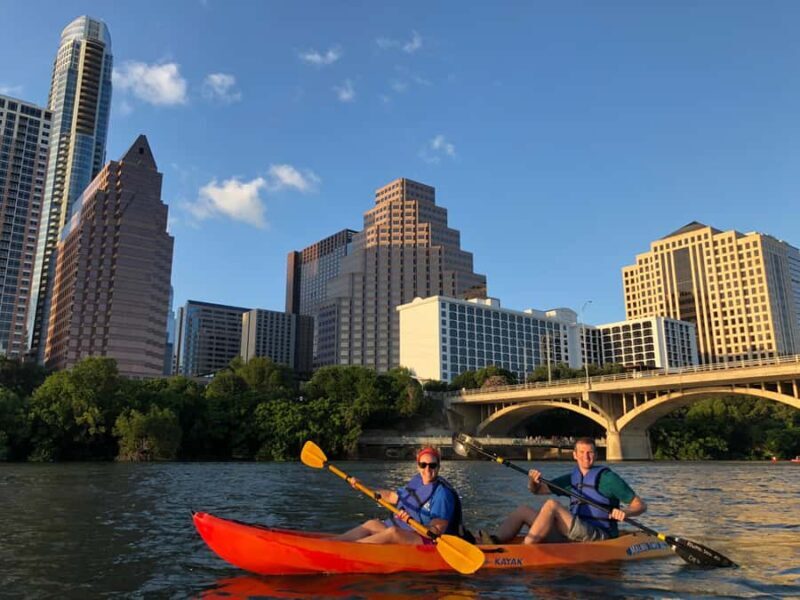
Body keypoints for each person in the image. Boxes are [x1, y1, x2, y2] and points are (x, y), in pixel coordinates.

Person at [480, 437, 646, 545]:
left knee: (552, 505)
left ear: (595, 455)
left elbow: (640, 505)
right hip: (574, 533)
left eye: (590, 452)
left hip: (599, 535)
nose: (586, 456)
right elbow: (538, 491)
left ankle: (524, 550)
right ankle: (494, 541)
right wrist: (533, 481)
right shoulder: (571, 478)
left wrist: (625, 512)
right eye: (582, 452)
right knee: (523, 510)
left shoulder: (609, 478)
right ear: (575, 455)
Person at [334, 447, 466, 544]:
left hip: (429, 540)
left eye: (432, 465)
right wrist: (363, 487)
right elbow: (392, 496)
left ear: (438, 467)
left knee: (393, 533)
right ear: (418, 467)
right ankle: (332, 543)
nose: (427, 469)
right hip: (409, 532)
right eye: (423, 465)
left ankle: (348, 550)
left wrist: (412, 523)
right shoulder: (416, 483)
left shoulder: (442, 494)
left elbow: (437, 530)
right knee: (372, 524)